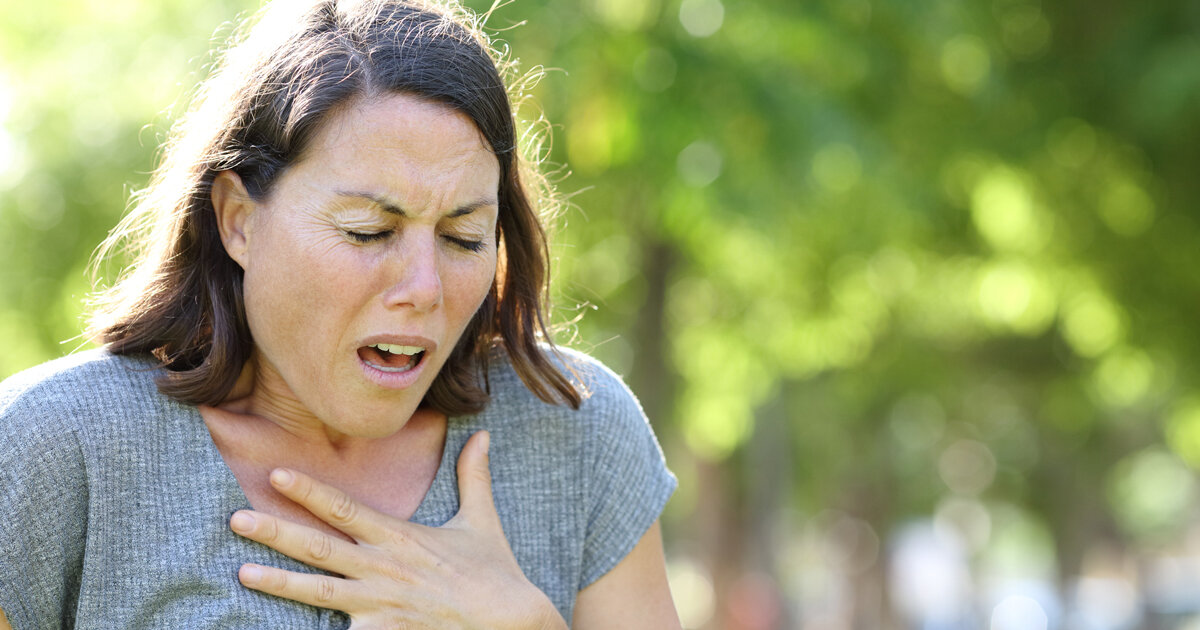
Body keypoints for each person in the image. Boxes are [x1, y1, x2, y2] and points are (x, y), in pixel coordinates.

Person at [0, 0, 679, 628]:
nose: (424, 287)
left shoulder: (574, 428)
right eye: (367, 231)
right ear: (238, 220)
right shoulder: (53, 450)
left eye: (463, 238)